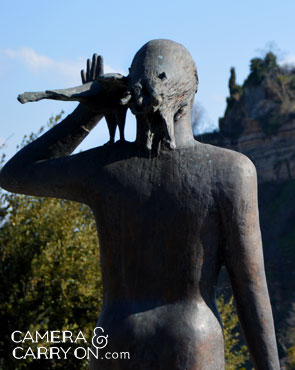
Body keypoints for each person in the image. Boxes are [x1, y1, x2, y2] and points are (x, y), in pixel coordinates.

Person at [0, 40, 279, 369]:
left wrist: (87, 112)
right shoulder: (231, 171)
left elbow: (15, 175)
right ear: (193, 87)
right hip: (191, 344)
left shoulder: (105, 168)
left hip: (116, 340)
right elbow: (250, 288)